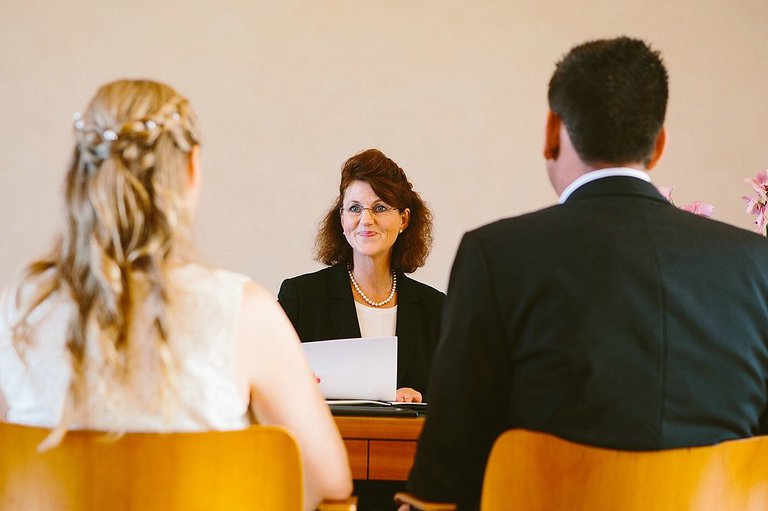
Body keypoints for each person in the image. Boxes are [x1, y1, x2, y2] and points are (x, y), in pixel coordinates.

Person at [405, 36, 768, 510]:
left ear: (552, 131)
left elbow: (446, 471)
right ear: (658, 145)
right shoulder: (754, 263)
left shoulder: (495, 255)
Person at [0, 79, 351, 510]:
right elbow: (328, 485)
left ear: (79, 172)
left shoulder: (20, 308)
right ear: (190, 171)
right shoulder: (243, 312)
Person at [278, 148, 445, 404]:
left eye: (379, 207)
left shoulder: (435, 308)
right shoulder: (301, 297)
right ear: (342, 218)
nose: (366, 219)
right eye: (355, 208)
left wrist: (421, 396)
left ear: (403, 219)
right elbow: (271, 380)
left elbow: (459, 392)